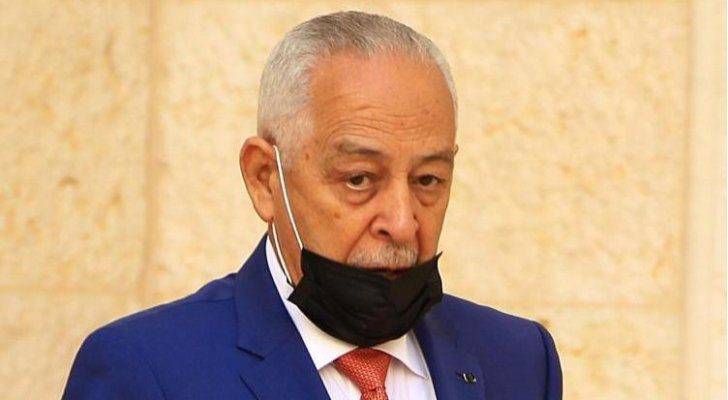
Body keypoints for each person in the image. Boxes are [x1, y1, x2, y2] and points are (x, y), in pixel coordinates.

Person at [63, 11, 562, 400]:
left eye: (427, 180)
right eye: (359, 179)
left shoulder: (519, 361)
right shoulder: (146, 370)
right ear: (265, 178)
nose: (402, 222)